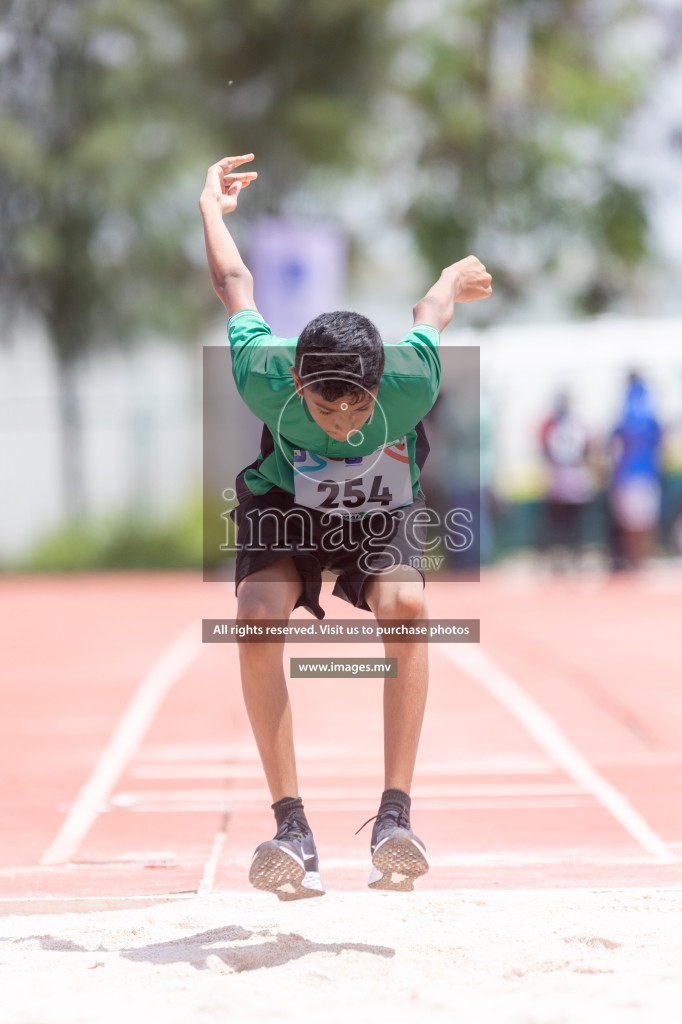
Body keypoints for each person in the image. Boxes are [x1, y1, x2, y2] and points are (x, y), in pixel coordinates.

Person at [200, 154, 492, 900]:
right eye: (323, 407)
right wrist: (210, 207)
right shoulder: (261, 371)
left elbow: (432, 310)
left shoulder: (412, 375)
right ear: (296, 382)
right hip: (283, 510)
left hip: (379, 512)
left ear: (377, 384)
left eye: (355, 407)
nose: (340, 421)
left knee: (409, 606)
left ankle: (396, 819)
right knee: (254, 617)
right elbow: (235, 284)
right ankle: (290, 825)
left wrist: (454, 276)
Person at [607, 372, 663, 571]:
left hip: (628, 473)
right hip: (646, 473)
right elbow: (659, 441)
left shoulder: (626, 409)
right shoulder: (649, 408)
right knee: (645, 521)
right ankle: (642, 560)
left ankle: (635, 560)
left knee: (631, 522)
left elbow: (612, 442)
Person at [539, 391, 594, 570]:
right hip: (566, 479)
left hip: (564, 478)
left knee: (566, 524)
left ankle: (567, 558)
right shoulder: (568, 425)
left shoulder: (562, 425)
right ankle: (564, 559)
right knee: (564, 523)